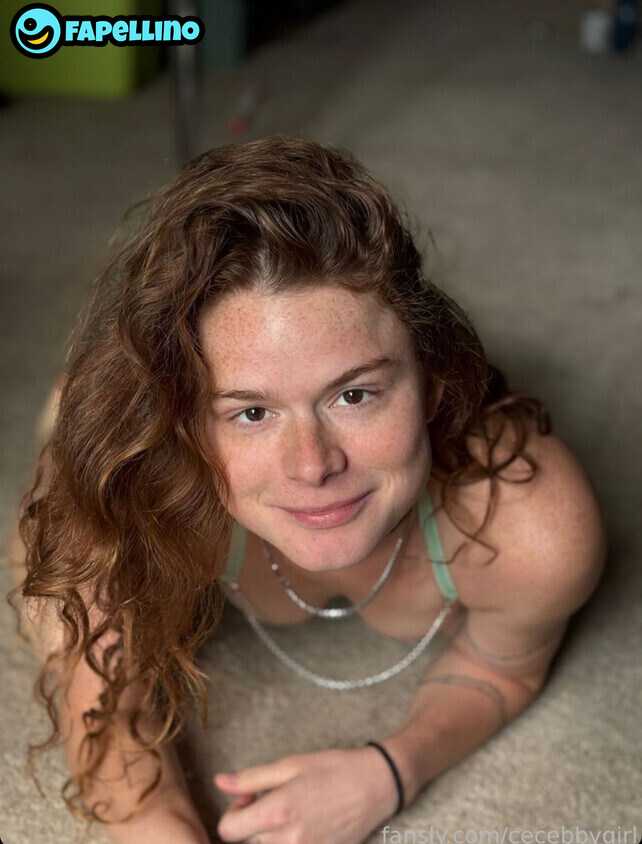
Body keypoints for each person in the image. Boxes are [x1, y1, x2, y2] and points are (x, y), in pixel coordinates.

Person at [9, 136, 606, 844]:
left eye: (354, 395)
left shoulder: (533, 529)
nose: (312, 464)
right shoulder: (134, 496)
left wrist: (389, 771)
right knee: (52, 565)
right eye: (252, 412)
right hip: (152, 477)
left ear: (430, 380)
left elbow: (504, 669)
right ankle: (75, 400)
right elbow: (115, 743)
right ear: (184, 421)